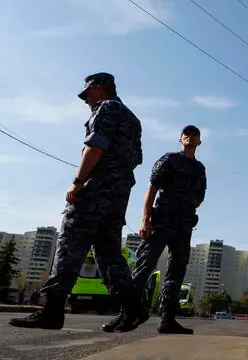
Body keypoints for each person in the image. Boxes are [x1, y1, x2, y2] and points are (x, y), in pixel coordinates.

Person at [9, 73, 147, 331]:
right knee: (108, 253)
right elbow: (135, 158)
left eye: (87, 94)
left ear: (100, 87)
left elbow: (95, 147)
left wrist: (78, 181)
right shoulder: (132, 118)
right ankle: (133, 307)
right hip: (120, 191)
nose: (85, 101)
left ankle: (52, 310)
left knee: (70, 240)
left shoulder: (107, 108)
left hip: (98, 186)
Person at [102, 125, 207, 334]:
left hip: (183, 225)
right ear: (180, 139)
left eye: (194, 136)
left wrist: (186, 207)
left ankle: (167, 320)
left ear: (199, 142)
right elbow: (152, 188)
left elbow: (200, 197)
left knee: (177, 271)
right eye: (186, 134)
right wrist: (145, 219)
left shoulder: (199, 169)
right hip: (161, 221)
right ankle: (127, 314)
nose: (190, 138)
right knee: (144, 266)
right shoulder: (169, 159)